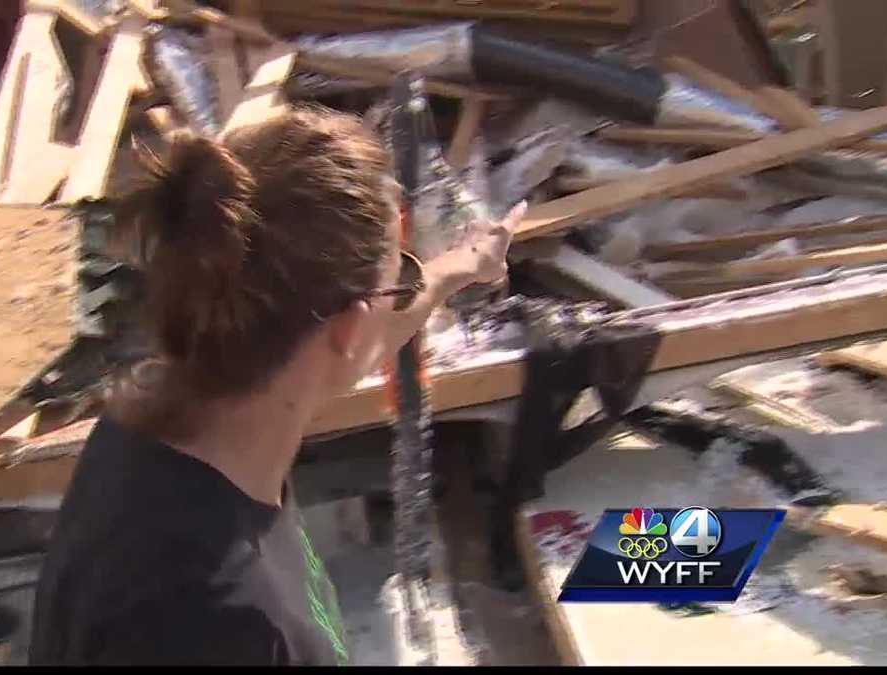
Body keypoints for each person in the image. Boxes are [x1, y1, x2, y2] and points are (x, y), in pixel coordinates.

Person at [29, 106, 527, 666]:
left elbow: (371, 324)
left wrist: (460, 267)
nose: (409, 282)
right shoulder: (229, 624)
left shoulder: (143, 430)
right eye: (400, 273)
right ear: (349, 327)